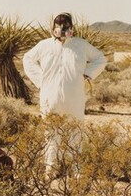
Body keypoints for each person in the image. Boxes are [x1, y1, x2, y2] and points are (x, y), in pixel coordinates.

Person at [22, 12, 106, 178]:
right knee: (51, 132)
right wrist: (40, 80)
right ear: (53, 28)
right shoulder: (44, 45)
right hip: (49, 96)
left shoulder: (80, 45)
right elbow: (28, 59)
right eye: (58, 25)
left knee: (76, 131)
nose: (61, 29)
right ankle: (50, 169)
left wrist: (88, 73)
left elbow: (100, 59)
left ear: (71, 28)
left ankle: (76, 170)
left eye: (65, 25)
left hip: (74, 96)